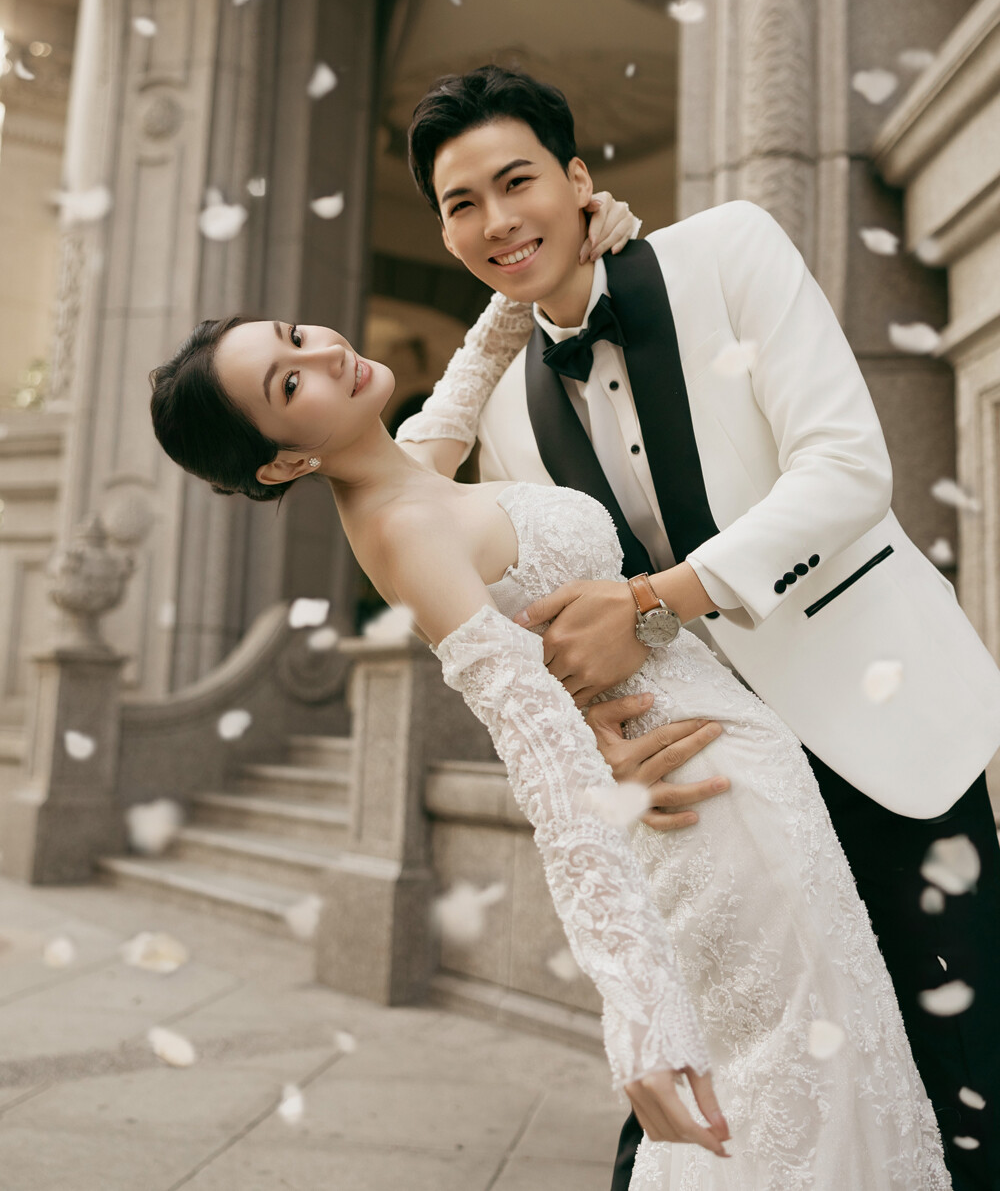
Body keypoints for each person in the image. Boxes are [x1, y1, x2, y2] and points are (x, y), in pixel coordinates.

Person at [149, 290, 949, 1183]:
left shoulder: (407, 464)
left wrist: (529, 272)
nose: (326, 354)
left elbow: (465, 379)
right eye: (290, 381)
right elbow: (547, 771)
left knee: (826, 1063)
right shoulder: (405, 528)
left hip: (740, 766)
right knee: (797, 1085)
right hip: (704, 799)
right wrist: (638, 1016)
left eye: (298, 335)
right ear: (287, 461)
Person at [393, 65, 1000, 1191]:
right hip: (716, 790)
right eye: (460, 204)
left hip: (875, 725)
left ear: (579, 178)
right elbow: (538, 622)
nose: (495, 220)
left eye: (517, 181)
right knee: (740, 1095)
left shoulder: (730, 249)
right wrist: (603, 741)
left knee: (963, 1074)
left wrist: (652, 601)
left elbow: (846, 468)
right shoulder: (506, 409)